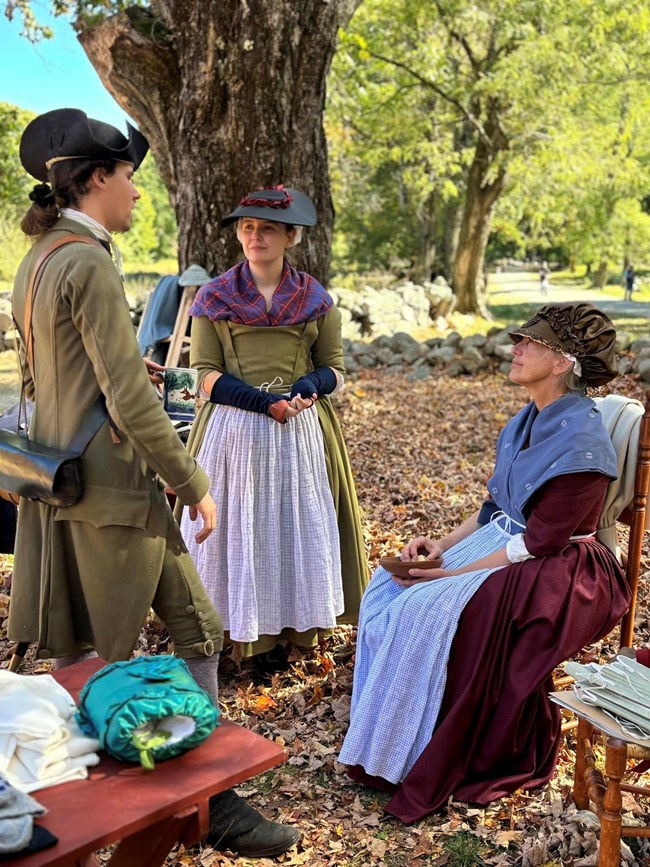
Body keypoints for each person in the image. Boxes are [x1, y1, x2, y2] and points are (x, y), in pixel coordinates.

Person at [8, 109, 299, 858]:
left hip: (72, 479)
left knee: (183, 630)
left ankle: (208, 801)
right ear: (97, 179)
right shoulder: (89, 261)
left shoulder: (40, 256)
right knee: (106, 654)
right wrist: (194, 478)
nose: (138, 193)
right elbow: (130, 402)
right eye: (131, 178)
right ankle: (120, 809)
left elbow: (50, 376)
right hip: (113, 490)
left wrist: (117, 381)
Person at [339, 302, 631, 823]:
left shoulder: (582, 442)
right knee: (387, 590)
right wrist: (440, 546)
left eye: (530, 342)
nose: (515, 348)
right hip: (514, 541)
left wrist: (450, 577)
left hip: (565, 568)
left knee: (429, 607)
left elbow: (541, 542)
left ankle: (436, 750)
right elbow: (495, 509)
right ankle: (388, 741)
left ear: (563, 362)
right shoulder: (528, 420)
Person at [178, 186, 367, 670]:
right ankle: (231, 635)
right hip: (233, 432)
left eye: (266, 228)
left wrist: (307, 386)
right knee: (237, 528)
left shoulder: (316, 299)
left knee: (292, 526)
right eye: (247, 227)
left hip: (299, 431)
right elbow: (202, 374)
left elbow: (336, 368)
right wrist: (262, 403)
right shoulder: (213, 298)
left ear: (290, 236)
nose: (255, 236)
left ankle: (291, 634)